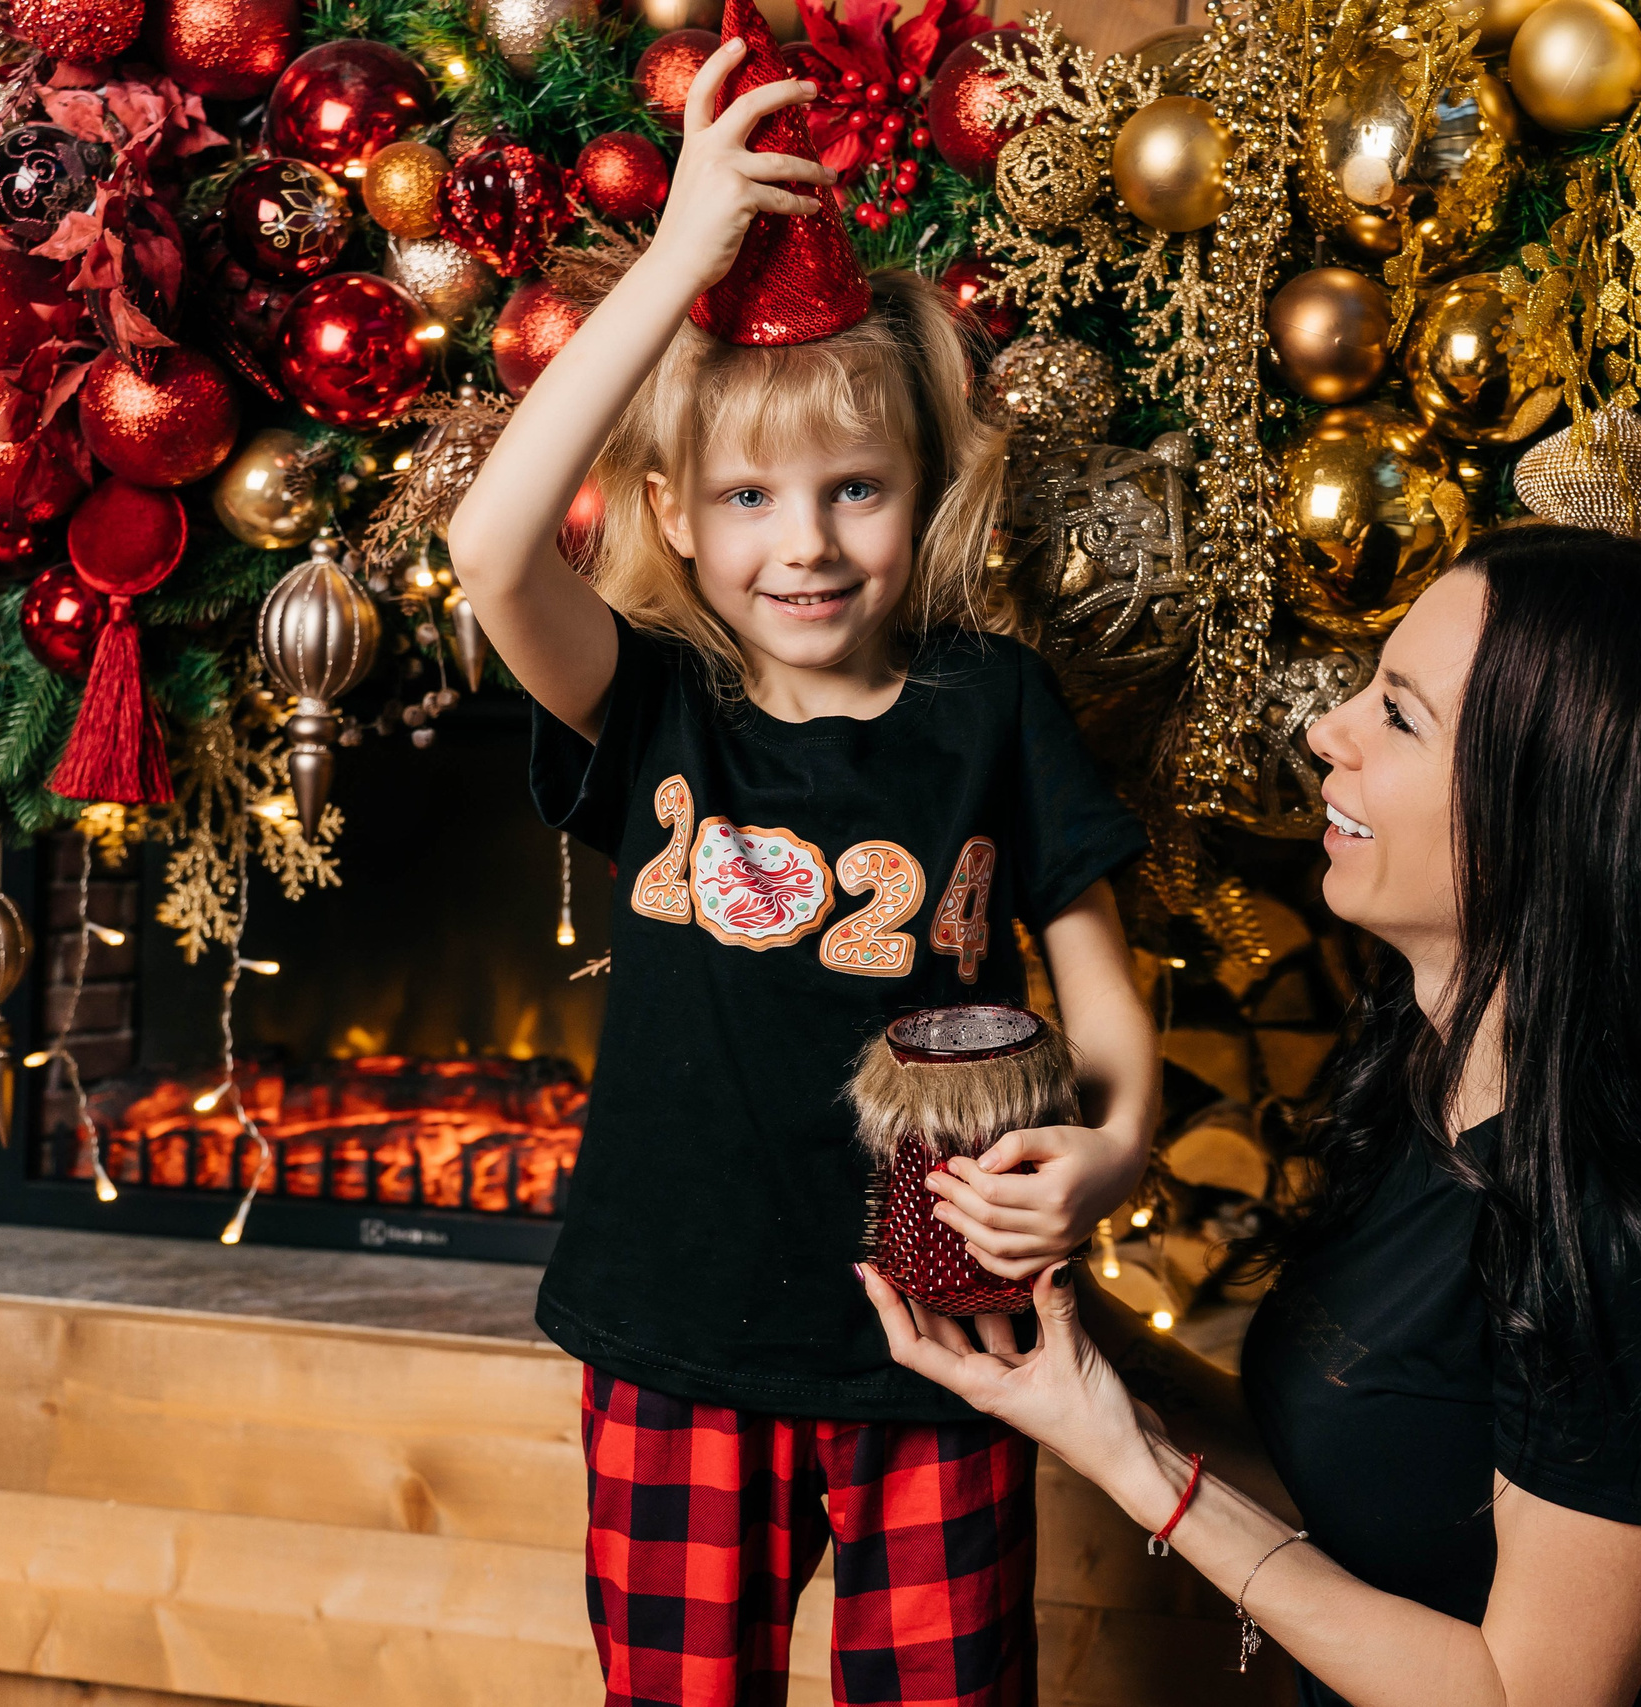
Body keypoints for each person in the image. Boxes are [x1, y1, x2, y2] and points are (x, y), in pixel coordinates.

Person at [866, 526, 1641, 1707]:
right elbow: (1361, 1455)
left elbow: (1525, 1698)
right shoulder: (1432, 1085)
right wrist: (1063, 1327)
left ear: (1547, 818)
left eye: (1399, 716)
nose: (1323, 731)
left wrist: (1134, 1464)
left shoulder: (1621, 1237)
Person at [444, 6, 1160, 1702]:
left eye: (856, 487)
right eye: (753, 500)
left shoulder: (997, 710)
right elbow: (490, 546)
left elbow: (1106, 1001)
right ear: (677, 515)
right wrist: (684, 252)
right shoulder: (656, 705)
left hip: (942, 1344)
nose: (810, 543)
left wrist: (1116, 1152)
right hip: (673, 1340)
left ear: (922, 491)